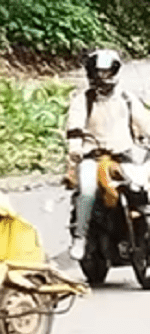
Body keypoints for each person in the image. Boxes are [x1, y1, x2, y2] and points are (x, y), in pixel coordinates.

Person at [65, 49, 150, 260]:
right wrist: (75, 147)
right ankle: (80, 237)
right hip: (92, 157)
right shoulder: (83, 100)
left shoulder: (127, 99)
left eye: (106, 72)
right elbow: (74, 126)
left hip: (125, 156)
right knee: (87, 190)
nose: (101, 78)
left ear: (115, 72)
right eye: (97, 73)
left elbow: (145, 123)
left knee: (142, 188)